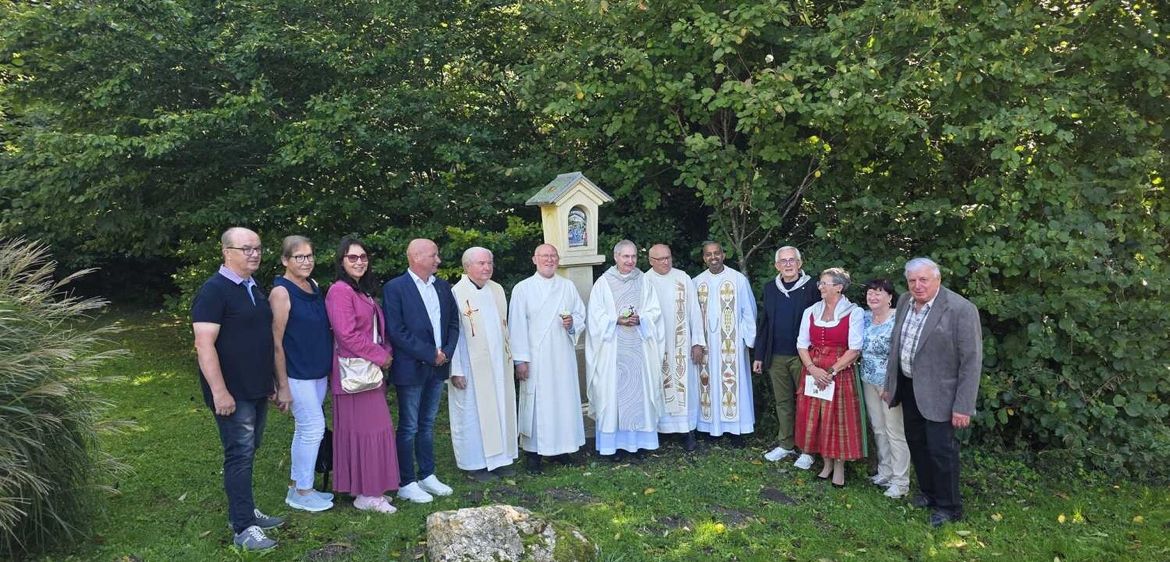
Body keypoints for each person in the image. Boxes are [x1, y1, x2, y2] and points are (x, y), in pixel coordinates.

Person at [191, 227, 287, 551]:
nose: (254, 254)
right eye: (246, 249)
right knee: (239, 454)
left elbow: (258, 339)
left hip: (255, 388)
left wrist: (271, 382)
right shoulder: (214, 291)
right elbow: (204, 345)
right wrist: (219, 392)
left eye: (258, 248)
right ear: (226, 251)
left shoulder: (251, 287)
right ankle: (243, 528)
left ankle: (243, 511)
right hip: (233, 393)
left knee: (248, 451)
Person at [883, 258, 982, 527]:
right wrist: (890, 384)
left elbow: (971, 362)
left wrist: (963, 406)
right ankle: (928, 493)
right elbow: (896, 344)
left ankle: (949, 507)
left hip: (942, 395)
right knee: (917, 443)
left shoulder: (960, 309)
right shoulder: (904, 301)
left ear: (937, 279)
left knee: (941, 451)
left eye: (923, 279)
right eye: (912, 280)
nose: (918, 285)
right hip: (908, 387)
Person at [325, 236, 400, 514]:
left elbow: (377, 330)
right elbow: (346, 334)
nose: (359, 262)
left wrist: (386, 350)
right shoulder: (340, 291)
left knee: (374, 430)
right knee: (367, 432)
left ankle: (370, 488)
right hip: (354, 375)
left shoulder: (361, 291)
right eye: (352, 257)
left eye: (363, 257)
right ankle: (367, 493)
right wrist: (381, 356)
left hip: (369, 372)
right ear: (342, 261)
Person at [383, 238, 459, 503]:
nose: (438, 260)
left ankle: (427, 474)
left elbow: (453, 323)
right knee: (409, 425)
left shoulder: (442, 287)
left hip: (438, 367)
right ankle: (407, 481)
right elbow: (396, 330)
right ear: (416, 257)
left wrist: (446, 352)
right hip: (411, 367)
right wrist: (430, 354)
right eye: (433, 255)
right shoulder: (395, 288)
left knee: (427, 424)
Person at [508, 244, 587, 474]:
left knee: (562, 401)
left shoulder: (567, 286)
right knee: (537, 404)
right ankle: (533, 454)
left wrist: (572, 323)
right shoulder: (523, 289)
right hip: (536, 358)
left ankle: (561, 450)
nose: (549, 260)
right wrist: (520, 360)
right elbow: (517, 326)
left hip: (562, 355)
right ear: (534, 259)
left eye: (553, 256)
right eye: (544, 256)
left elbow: (580, 314)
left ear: (558, 259)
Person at [270, 235, 335, 512]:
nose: (306, 261)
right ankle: (303, 492)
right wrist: (282, 385)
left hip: (317, 372)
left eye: (309, 256)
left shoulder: (313, 285)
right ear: (285, 260)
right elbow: (275, 342)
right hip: (296, 374)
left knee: (305, 429)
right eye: (299, 257)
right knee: (313, 428)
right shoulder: (281, 293)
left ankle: (297, 486)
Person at [586, 240, 665, 461]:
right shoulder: (603, 283)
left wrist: (643, 319)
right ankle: (615, 448)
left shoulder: (644, 281)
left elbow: (654, 310)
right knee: (613, 396)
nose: (630, 261)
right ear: (616, 257)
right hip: (613, 350)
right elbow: (595, 316)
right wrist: (615, 320)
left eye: (633, 257)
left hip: (638, 347)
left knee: (639, 392)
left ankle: (638, 444)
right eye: (625, 257)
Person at [448, 247, 519, 481]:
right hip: (470, 366)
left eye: (489, 263)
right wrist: (455, 369)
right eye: (481, 263)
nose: (487, 267)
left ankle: (500, 459)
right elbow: (453, 335)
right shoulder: (457, 293)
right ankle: (474, 464)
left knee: (500, 407)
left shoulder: (497, 289)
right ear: (467, 266)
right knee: (472, 415)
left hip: (499, 364)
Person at [794, 268, 865, 487]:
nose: (820, 287)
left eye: (825, 283)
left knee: (838, 419)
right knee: (817, 418)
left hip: (839, 372)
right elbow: (801, 343)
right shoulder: (812, 311)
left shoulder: (853, 312)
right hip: (813, 371)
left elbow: (855, 349)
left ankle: (840, 467)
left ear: (839, 287)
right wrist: (812, 369)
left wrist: (831, 371)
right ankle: (826, 464)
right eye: (820, 283)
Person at [753, 246, 821, 468]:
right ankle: (786, 444)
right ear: (776, 266)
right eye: (783, 261)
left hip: (805, 357)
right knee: (783, 402)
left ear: (800, 264)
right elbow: (765, 323)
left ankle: (808, 449)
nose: (788, 264)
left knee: (807, 402)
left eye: (792, 260)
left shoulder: (812, 287)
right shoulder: (771, 288)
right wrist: (759, 355)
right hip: (777, 356)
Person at [691, 241, 757, 444]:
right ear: (704, 258)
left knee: (733, 384)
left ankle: (736, 430)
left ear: (723, 254)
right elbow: (691, 317)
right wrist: (696, 343)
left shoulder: (737, 279)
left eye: (716, 253)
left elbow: (749, 311)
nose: (713, 257)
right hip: (706, 344)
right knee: (707, 384)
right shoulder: (696, 282)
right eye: (709, 254)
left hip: (732, 343)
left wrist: (746, 340)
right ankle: (709, 427)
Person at [644, 243, 706, 452]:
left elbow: (694, 312)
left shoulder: (683, 278)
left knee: (683, 385)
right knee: (658, 385)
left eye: (668, 257)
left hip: (681, 343)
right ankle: (659, 431)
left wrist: (698, 342)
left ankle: (686, 431)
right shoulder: (645, 281)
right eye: (660, 259)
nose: (666, 262)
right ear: (651, 261)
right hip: (656, 345)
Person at [858, 278, 910, 499]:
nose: (873, 296)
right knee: (878, 428)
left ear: (890, 297)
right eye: (870, 292)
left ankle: (901, 482)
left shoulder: (898, 318)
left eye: (879, 292)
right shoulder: (864, 317)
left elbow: (901, 354)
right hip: (868, 379)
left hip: (890, 383)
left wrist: (889, 384)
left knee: (895, 431)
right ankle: (885, 471)